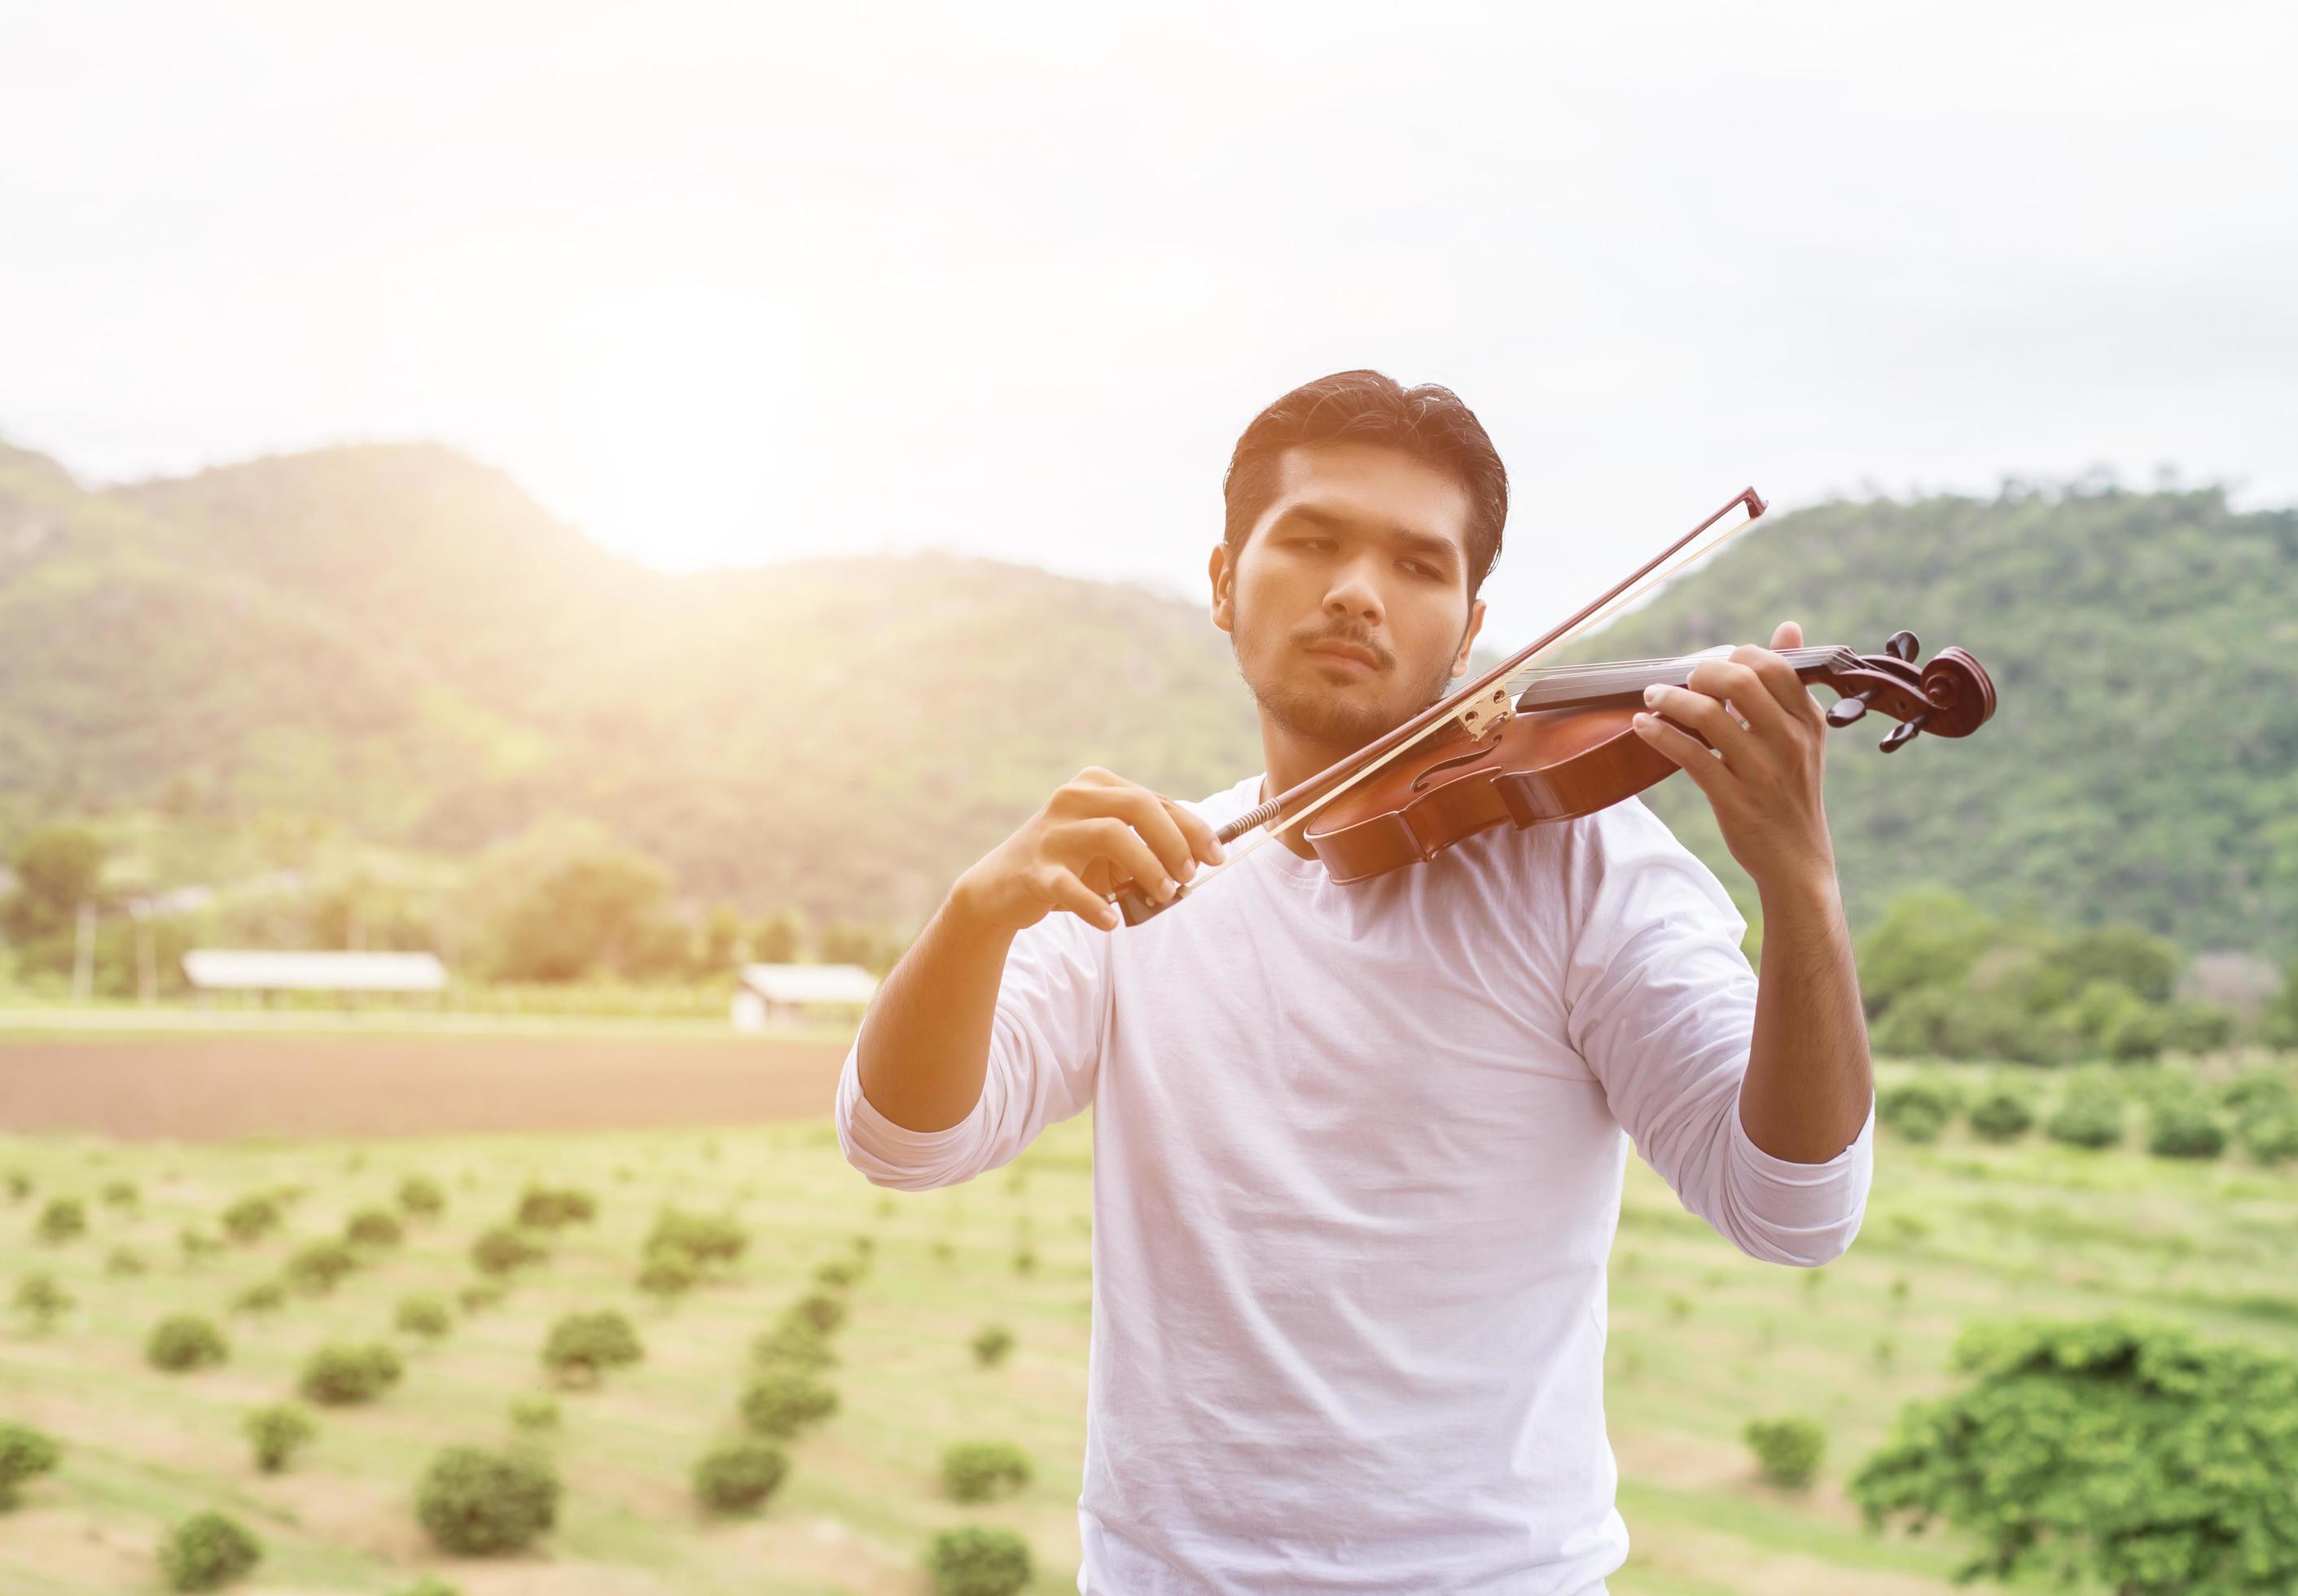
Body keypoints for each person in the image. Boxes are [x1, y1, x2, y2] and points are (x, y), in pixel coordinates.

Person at [833, 368, 1876, 1594]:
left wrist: (1797, 884)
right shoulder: (1154, 871)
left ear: (1470, 627)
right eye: (1313, 542)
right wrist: (976, 913)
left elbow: (1794, 1211)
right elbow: (901, 1144)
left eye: (1418, 567)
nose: (1356, 593)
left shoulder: (1586, 863)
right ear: (1223, 582)